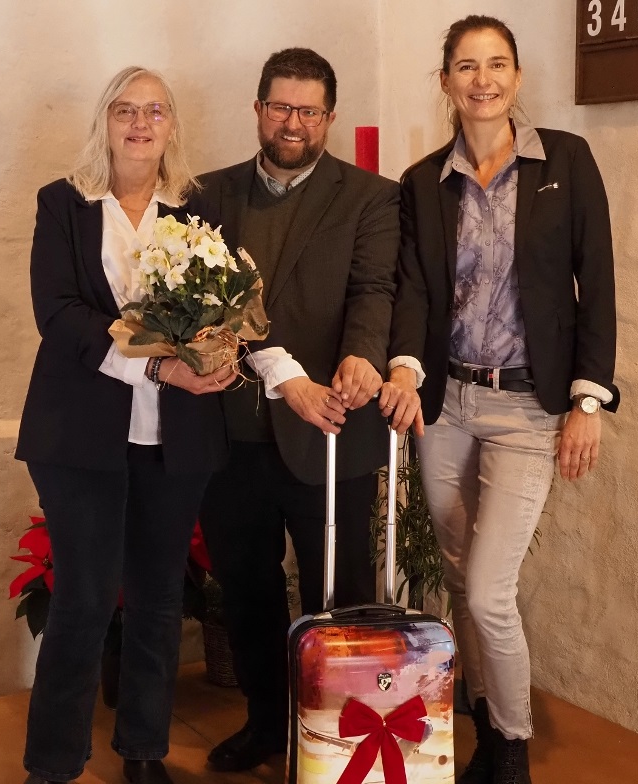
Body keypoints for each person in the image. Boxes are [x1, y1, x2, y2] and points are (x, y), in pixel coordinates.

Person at [378, 16, 620, 784]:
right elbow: (416, 289)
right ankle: (483, 722)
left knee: (487, 590)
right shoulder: (424, 180)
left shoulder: (566, 162)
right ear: (445, 80)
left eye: (497, 65)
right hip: (446, 405)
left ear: (515, 77)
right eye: (466, 66)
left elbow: (599, 282)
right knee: (456, 578)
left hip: (526, 408)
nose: (482, 79)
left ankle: (510, 747)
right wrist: (409, 369)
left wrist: (588, 402)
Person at [14, 66, 237, 784]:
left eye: (156, 111)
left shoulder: (196, 211)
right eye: (125, 110)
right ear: (104, 121)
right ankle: (53, 764)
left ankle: (144, 753)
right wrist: (158, 366)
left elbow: (225, 304)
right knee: (82, 597)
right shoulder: (65, 205)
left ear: (172, 126)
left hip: (178, 441)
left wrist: (222, 350)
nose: (141, 124)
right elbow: (59, 313)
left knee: (159, 600)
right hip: (80, 439)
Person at [194, 48, 400, 773]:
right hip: (233, 436)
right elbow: (206, 311)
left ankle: (341, 738)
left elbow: (375, 288)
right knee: (246, 590)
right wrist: (285, 378)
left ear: (330, 119)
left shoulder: (370, 197)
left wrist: (362, 356)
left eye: (308, 110)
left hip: (332, 428)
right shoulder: (206, 196)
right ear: (256, 109)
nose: (292, 122)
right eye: (280, 106)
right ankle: (265, 722)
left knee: (338, 597)